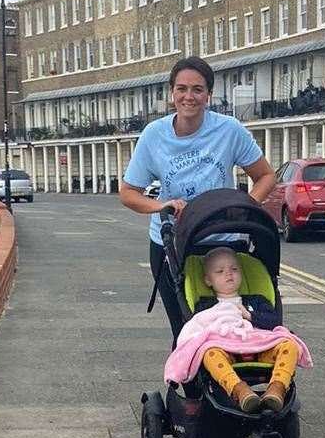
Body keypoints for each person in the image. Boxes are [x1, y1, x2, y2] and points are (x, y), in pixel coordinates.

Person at [119, 56, 277, 340]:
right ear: (171, 93)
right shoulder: (154, 135)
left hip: (224, 243)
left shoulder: (228, 130)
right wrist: (162, 205)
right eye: (181, 89)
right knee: (186, 330)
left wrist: (246, 207)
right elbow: (128, 193)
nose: (188, 96)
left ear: (209, 95)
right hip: (173, 246)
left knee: (233, 327)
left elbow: (266, 176)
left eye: (197, 89)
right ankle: (189, 382)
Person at [167, 246, 309, 412]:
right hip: (227, 350)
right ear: (208, 280)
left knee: (289, 345)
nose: (228, 274)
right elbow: (199, 327)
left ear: (241, 273)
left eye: (234, 269)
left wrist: (249, 316)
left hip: (260, 348)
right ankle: (240, 391)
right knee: (208, 352)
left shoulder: (256, 301)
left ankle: (276, 389)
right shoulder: (206, 305)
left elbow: (274, 322)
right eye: (220, 271)